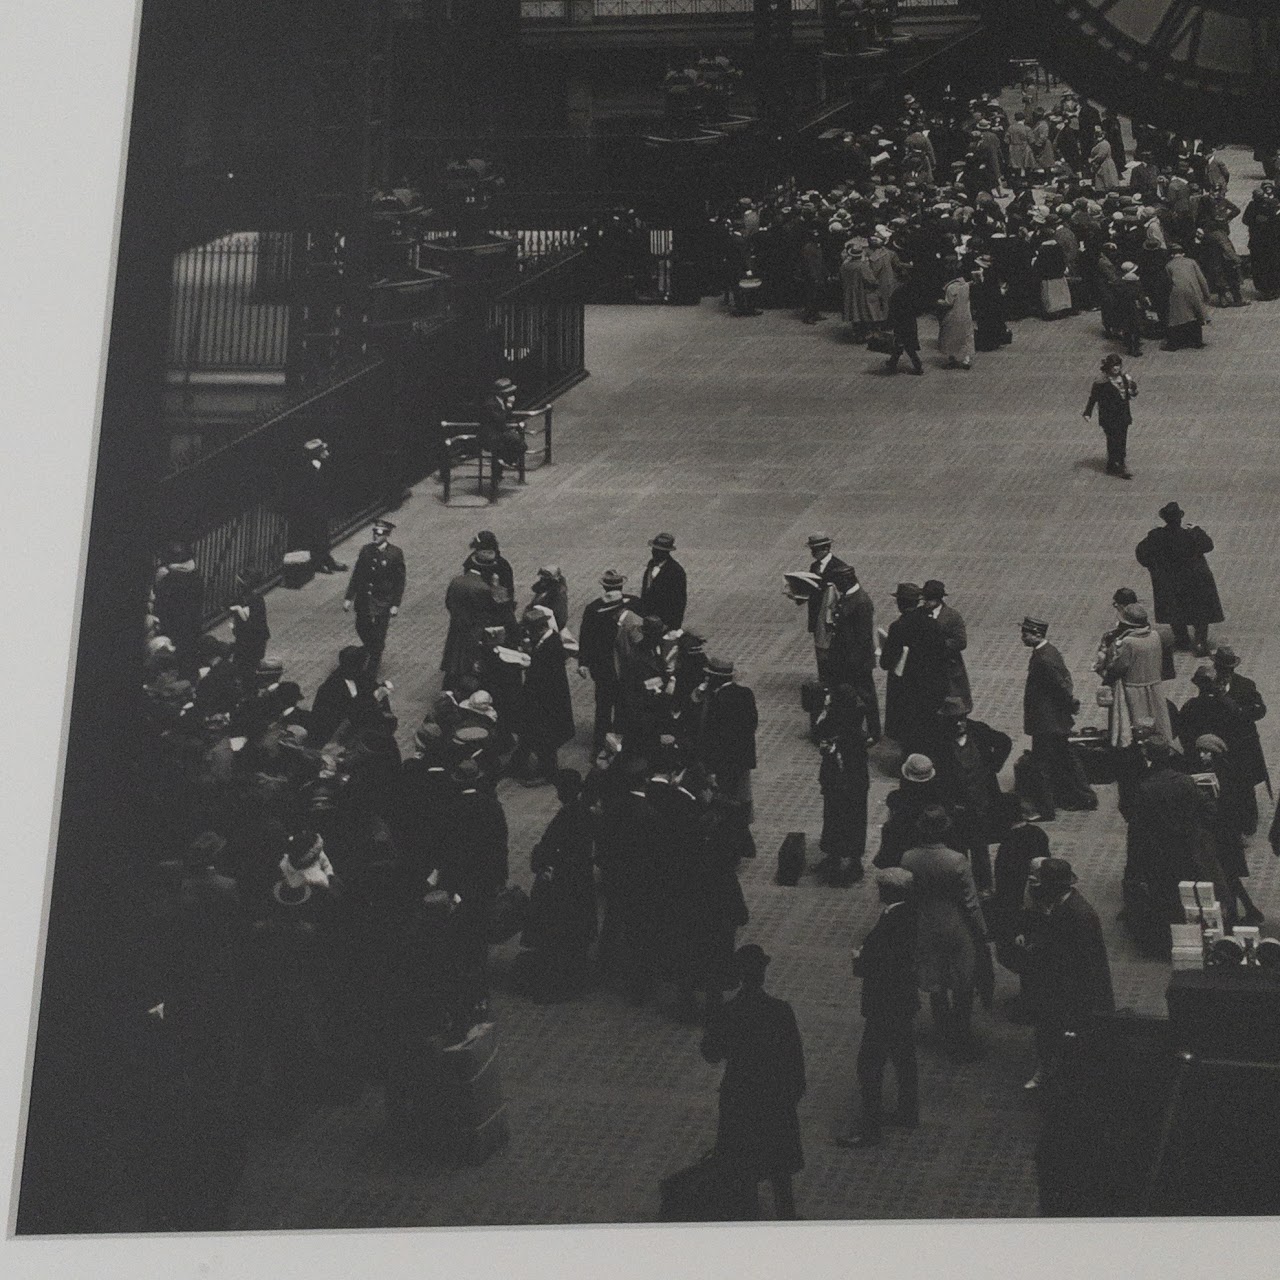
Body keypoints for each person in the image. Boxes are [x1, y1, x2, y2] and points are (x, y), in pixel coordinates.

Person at [700, 944, 806, 1220]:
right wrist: (792, 1094)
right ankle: (787, 1220)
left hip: (741, 1098)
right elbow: (795, 1058)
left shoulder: (730, 1012)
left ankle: (749, 1221)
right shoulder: (780, 1011)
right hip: (774, 1098)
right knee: (780, 1172)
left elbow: (711, 1053)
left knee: (743, 1169)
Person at [835, 867, 919, 1148]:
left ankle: (870, 1129)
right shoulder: (909, 914)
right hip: (903, 1001)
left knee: (869, 1065)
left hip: (884, 1004)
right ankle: (908, 1112)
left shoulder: (893, 921)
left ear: (889, 891)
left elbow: (882, 966)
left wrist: (861, 959)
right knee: (904, 1058)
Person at [1017, 858, 1114, 1090]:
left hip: (1071, 986)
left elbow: (1084, 960)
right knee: (1049, 1028)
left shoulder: (1080, 915)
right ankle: (1051, 1068)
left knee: (1065, 1031)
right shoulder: (1060, 903)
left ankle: (1059, 1075)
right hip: (1057, 980)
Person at [901, 806, 988, 1061]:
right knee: (962, 979)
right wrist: (981, 931)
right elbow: (970, 901)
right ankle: (961, 1035)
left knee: (936, 981)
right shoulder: (956, 860)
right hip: (955, 923)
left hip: (925, 922)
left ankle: (943, 1030)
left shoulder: (909, 858)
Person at [522, 770, 599, 1001]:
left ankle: (559, 983)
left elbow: (549, 848)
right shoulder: (585, 813)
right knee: (574, 931)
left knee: (560, 930)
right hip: (580, 881)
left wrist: (543, 861)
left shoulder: (567, 816)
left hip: (564, 883)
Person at [1177, 649, 1268, 835]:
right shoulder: (1205, 689)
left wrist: (1241, 712)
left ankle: (1247, 824)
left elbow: (1259, 711)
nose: (1224, 672)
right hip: (1216, 747)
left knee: (1244, 786)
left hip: (1240, 745)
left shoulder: (1245, 686)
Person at [931, 696, 1012, 894]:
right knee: (957, 849)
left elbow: (1004, 742)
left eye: (962, 718)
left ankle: (984, 886)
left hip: (981, 803)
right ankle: (961, 887)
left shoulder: (978, 731)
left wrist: (994, 765)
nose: (959, 723)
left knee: (980, 848)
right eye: (954, 720)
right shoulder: (937, 741)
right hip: (956, 808)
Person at [1020, 617, 1096, 820]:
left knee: (1041, 765)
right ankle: (1085, 797)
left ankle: (1045, 809)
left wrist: (1070, 704)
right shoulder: (1050, 651)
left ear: (1037, 634)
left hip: (1046, 721)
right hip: (1056, 719)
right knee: (1067, 758)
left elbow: (1059, 686)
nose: (1022, 637)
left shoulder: (1043, 658)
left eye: (1025, 633)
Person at [1189, 735, 1263, 928]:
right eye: (1200, 752)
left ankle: (1235, 916)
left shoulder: (1227, 774)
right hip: (1223, 831)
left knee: (1226, 873)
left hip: (1224, 832)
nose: (1202, 756)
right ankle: (1248, 909)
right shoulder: (1216, 770)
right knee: (1229, 873)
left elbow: (1235, 803)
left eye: (1206, 752)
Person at [1135, 501, 1224, 655]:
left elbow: (1141, 553)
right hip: (1194, 580)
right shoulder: (1190, 535)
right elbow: (1208, 545)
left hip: (1170, 581)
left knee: (1175, 609)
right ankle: (1200, 642)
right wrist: (1197, 529)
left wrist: (1154, 568)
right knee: (1199, 610)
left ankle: (1182, 639)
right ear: (1180, 519)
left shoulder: (1156, 536)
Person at [815, 684, 873, 886]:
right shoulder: (854, 720)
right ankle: (840, 857)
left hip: (844, 781)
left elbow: (821, 729)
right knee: (847, 818)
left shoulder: (844, 727)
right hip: (849, 781)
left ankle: (848, 861)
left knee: (842, 817)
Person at [879, 582, 947, 755]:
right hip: (931, 684)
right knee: (927, 726)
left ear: (900, 603)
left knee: (909, 729)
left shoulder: (899, 627)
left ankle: (909, 763)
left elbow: (886, 662)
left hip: (907, 687)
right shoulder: (933, 624)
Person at [577, 570, 639, 756]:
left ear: (604, 587)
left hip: (602, 668)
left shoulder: (593, 608)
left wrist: (583, 662)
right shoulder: (634, 604)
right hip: (626, 666)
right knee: (622, 706)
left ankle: (600, 744)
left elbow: (585, 637)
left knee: (603, 708)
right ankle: (621, 741)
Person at [513, 606, 575, 786]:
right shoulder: (547, 641)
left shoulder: (551, 646)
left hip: (547, 701)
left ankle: (548, 773)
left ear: (539, 628)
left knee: (545, 738)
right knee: (533, 734)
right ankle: (519, 763)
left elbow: (543, 677)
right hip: (542, 698)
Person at [342, 519, 405, 674]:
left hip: (382, 601)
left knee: (379, 632)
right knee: (361, 626)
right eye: (375, 532)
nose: (376, 535)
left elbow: (399, 581)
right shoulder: (366, 551)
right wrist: (349, 597)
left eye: (380, 533)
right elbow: (357, 575)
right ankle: (373, 649)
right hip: (364, 599)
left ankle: (372, 667)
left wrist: (395, 604)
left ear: (387, 535)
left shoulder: (395, 554)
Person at [826, 563, 880, 742]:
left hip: (857, 662)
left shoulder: (861, 602)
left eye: (838, 582)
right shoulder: (848, 596)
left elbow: (863, 637)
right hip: (846, 658)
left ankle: (873, 731)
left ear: (846, 581)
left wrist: (853, 664)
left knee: (866, 696)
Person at [441, 550, 502, 689]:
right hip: (474, 632)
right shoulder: (483, 588)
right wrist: (496, 587)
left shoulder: (456, 581)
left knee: (453, 662)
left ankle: (448, 689)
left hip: (456, 628)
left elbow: (449, 603)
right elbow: (494, 609)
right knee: (469, 666)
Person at [288, 439, 347, 574]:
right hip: (311, 509)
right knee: (314, 536)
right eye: (323, 451)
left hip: (322, 506)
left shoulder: (323, 466)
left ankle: (327, 559)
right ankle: (318, 562)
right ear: (316, 454)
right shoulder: (306, 469)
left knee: (324, 534)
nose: (327, 453)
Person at [797, 533, 850, 681]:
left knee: (832, 651)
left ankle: (834, 682)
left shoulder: (839, 567)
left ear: (826, 549)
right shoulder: (814, 567)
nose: (813, 553)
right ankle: (824, 681)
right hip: (817, 615)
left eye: (817, 549)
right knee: (820, 651)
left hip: (830, 617)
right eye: (812, 550)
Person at [153, 542, 204, 680]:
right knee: (190, 655)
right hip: (192, 623)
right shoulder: (195, 575)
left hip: (174, 626)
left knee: (176, 657)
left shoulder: (168, 578)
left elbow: (162, 603)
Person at [920, 580, 971, 715]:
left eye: (929, 599)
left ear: (938, 599)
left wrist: (939, 644)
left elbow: (961, 641)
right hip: (927, 668)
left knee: (953, 705)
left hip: (948, 667)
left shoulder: (952, 616)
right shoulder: (920, 614)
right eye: (925, 598)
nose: (926, 602)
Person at [1082, 354, 1137, 479]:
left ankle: (1120, 462)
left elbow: (1131, 395)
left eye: (1118, 365)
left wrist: (1132, 388)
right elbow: (1093, 398)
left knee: (1122, 439)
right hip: (1109, 417)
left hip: (1123, 416)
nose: (1116, 368)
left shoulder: (1125, 379)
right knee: (1113, 440)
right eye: (1113, 366)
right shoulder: (1101, 382)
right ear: (1108, 367)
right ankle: (1113, 464)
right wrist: (1087, 412)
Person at [1162, 243, 1211, 350]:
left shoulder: (1169, 265)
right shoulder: (1191, 262)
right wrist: (1206, 294)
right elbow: (1201, 279)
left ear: (1171, 255)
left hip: (1177, 291)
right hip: (1193, 289)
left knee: (1177, 316)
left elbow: (1168, 281)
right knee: (1196, 314)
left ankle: (1174, 343)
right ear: (1183, 253)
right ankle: (1197, 342)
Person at [229, 566, 270, 686]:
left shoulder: (252, 599)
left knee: (245, 666)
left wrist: (236, 610)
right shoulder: (255, 598)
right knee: (247, 665)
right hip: (254, 638)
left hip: (251, 639)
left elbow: (247, 618)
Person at [640, 532, 688, 631]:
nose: (654, 552)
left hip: (665, 622)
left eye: (658, 551)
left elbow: (679, 602)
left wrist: (673, 626)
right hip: (648, 620)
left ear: (666, 553)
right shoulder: (650, 566)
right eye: (654, 549)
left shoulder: (676, 571)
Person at [884, 271, 924, 374]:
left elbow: (892, 307)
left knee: (904, 344)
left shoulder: (898, 292)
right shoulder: (912, 291)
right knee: (903, 343)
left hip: (900, 321)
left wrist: (889, 322)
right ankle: (893, 362)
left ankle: (917, 366)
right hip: (910, 320)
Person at [937, 263, 975, 369]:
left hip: (953, 316)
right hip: (966, 315)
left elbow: (948, 303)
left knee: (950, 337)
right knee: (966, 337)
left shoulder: (951, 287)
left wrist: (939, 302)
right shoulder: (966, 286)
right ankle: (966, 360)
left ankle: (952, 358)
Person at [529, 565, 569, 631]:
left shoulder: (558, 595)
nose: (542, 581)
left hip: (549, 626)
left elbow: (557, 615)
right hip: (538, 621)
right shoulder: (543, 590)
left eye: (545, 578)